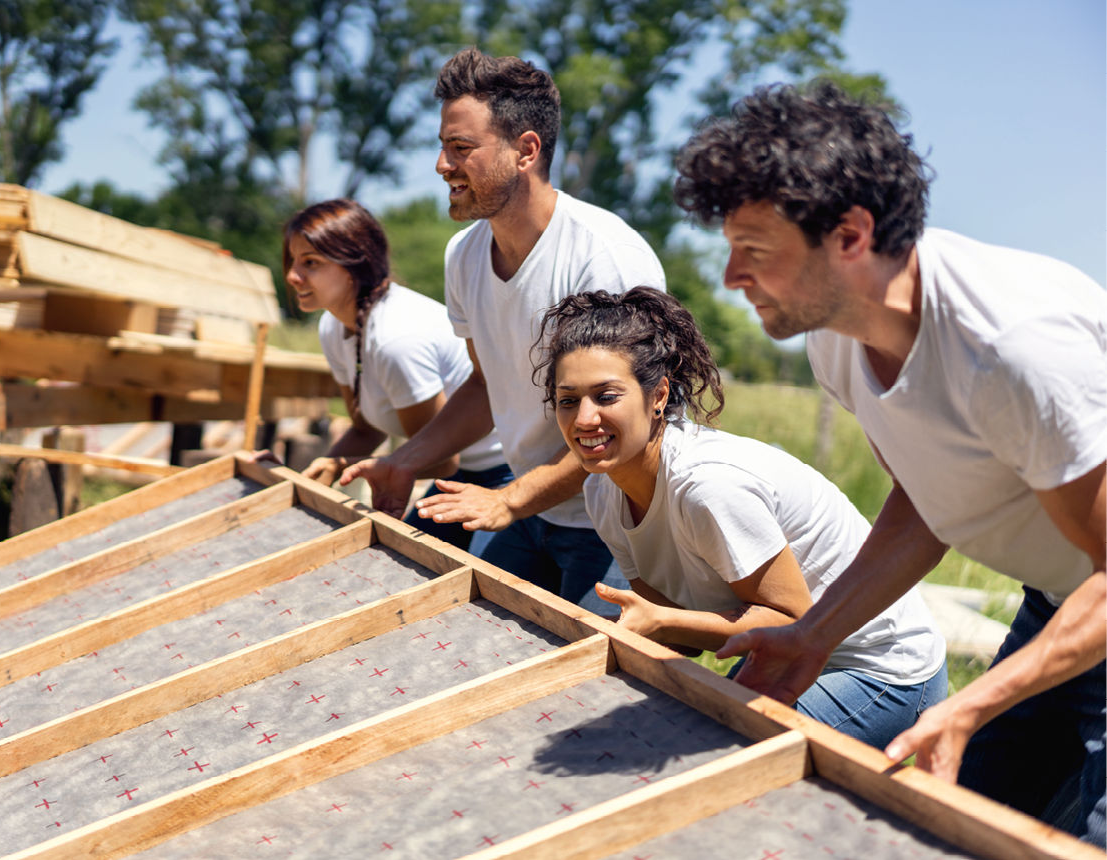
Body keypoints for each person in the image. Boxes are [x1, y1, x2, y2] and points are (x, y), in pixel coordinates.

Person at [672, 81, 1107, 844]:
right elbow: (924, 499)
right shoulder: (835, 337)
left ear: (850, 235)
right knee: (958, 823)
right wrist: (813, 636)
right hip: (1064, 604)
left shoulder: (1012, 349)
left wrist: (969, 702)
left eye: (756, 251)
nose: (732, 277)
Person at [536, 286, 947, 748]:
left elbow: (791, 622)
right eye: (568, 401)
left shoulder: (708, 487)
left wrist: (657, 626)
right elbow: (675, 629)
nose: (584, 419)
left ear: (659, 396)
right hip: (781, 655)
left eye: (606, 396)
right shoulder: (602, 491)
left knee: (715, 758)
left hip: (877, 666)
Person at [340, 47, 665, 606]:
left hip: (617, 521)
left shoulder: (602, 259)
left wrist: (511, 500)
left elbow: (623, 426)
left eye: (461, 148)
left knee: (587, 688)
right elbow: (486, 384)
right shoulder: (463, 255)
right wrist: (403, 462)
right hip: (531, 507)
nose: (443, 166)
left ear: (526, 151)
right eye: (443, 147)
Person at [280, 199, 510, 549]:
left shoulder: (396, 340)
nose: (292, 276)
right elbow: (365, 428)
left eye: (310, 263)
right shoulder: (333, 326)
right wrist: (321, 469)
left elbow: (443, 460)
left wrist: (346, 465)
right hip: (458, 474)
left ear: (354, 264)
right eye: (292, 261)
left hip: (502, 473)